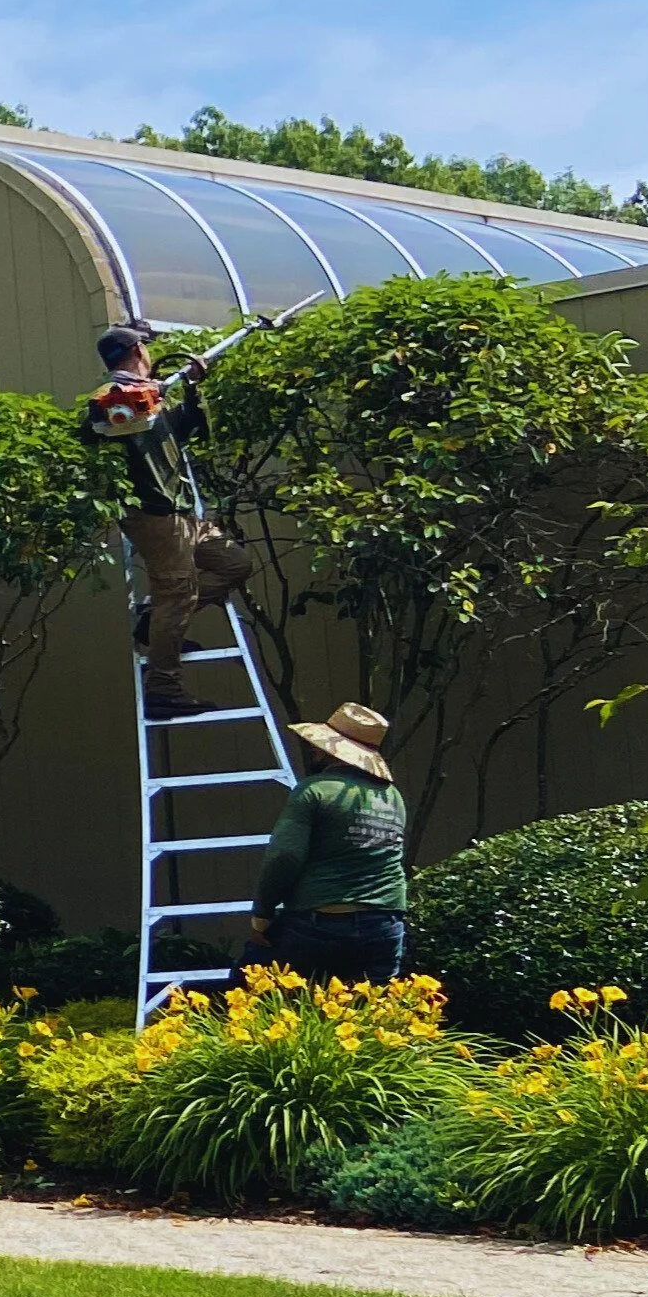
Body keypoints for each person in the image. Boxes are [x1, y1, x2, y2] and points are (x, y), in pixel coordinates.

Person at [84, 320, 252, 719]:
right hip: (153, 515)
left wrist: (192, 387)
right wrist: (151, 392)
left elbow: (187, 427)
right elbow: (100, 423)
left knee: (234, 564)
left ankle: (151, 620)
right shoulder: (113, 396)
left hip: (180, 513)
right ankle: (164, 687)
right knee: (177, 595)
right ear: (139, 351)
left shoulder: (150, 399)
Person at [247, 702, 408, 984]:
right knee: (371, 1014)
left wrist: (262, 916)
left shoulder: (314, 790)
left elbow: (284, 857)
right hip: (385, 925)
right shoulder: (392, 796)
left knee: (253, 984)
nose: (313, 747)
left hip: (319, 923)